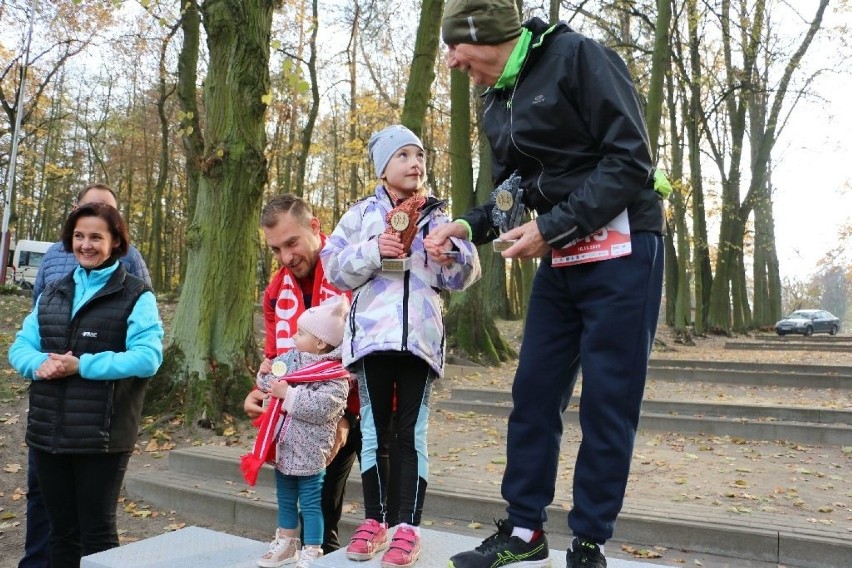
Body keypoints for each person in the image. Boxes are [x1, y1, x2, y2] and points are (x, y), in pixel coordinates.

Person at [429, 2, 666, 567]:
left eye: (459, 59)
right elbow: (515, 191)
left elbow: (631, 159)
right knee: (533, 393)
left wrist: (553, 227)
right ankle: (525, 531)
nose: (459, 71)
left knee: (608, 401)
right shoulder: (495, 101)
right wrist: (470, 223)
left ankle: (588, 542)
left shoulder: (578, 58)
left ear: (482, 36)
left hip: (624, 249)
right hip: (562, 256)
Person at [321, 124, 481, 567]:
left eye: (420, 155)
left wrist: (455, 256)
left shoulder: (438, 215)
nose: (415, 163)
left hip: (419, 338)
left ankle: (407, 528)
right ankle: (375, 521)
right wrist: (374, 249)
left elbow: (464, 275)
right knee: (374, 431)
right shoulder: (359, 216)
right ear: (383, 167)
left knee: (410, 432)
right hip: (371, 337)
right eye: (403, 155)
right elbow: (333, 267)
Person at [242, 195, 400, 555]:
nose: (286, 257)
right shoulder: (273, 293)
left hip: (375, 408)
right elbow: (278, 359)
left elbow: (380, 350)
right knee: (320, 514)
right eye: (276, 248)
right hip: (315, 421)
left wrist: (346, 415)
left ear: (315, 227)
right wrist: (261, 390)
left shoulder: (355, 269)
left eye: (292, 242)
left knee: (385, 519)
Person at [8, 202, 164, 568]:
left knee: (98, 535)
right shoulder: (52, 292)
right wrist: (41, 364)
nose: (86, 244)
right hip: (48, 433)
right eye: (79, 236)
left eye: (96, 236)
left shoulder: (136, 295)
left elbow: (147, 357)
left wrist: (83, 365)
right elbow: (20, 347)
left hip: (102, 437)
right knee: (61, 533)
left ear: (115, 243)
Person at [242, 296, 352, 568]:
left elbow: (323, 408)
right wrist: (264, 374)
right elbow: (272, 382)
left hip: (312, 451)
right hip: (284, 446)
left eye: (301, 333)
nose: (293, 336)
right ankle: (287, 544)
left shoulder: (336, 375)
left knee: (312, 503)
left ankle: (313, 549)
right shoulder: (291, 357)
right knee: (286, 498)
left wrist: (288, 395)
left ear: (320, 342)